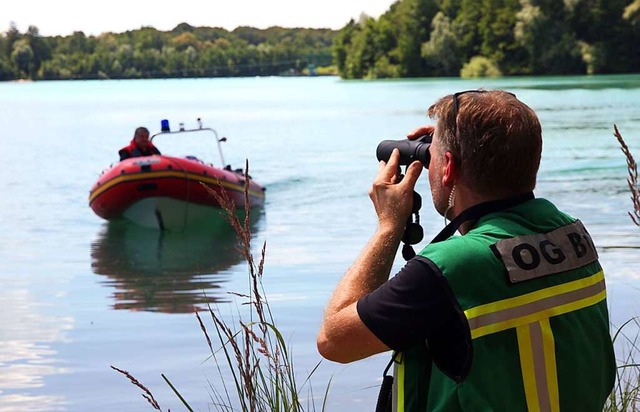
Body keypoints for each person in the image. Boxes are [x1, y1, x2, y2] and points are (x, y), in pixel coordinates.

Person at [317, 90, 615, 411]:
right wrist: (458, 147)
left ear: (446, 168)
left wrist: (389, 226)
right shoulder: (571, 234)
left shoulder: (452, 267)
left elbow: (334, 341)